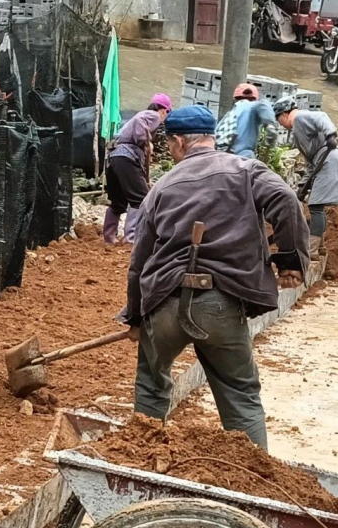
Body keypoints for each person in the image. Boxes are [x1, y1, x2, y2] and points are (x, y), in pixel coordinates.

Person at [120, 105, 309, 449]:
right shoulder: (245, 169)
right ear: (211, 137)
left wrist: (135, 316)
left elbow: (139, 260)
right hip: (221, 302)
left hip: (164, 302)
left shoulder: (161, 187)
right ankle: (254, 480)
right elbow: (284, 198)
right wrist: (290, 261)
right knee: (239, 392)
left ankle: (141, 460)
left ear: (178, 141)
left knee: (151, 382)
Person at [274, 96, 338, 260]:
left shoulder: (300, 117)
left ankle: (312, 250)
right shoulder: (298, 131)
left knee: (315, 206)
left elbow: (322, 117)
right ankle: (319, 248)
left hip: (330, 159)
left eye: (279, 119)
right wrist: (302, 187)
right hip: (323, 161)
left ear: (284, 114)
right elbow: (310, 164)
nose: (279, 123)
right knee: (317, 206)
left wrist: (330, 135)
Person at [103, 109, 164, 244]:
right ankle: (131, 237)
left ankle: (109, 237)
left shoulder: (133, 122)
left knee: (117, 201)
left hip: (114, 157)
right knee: (140, 198)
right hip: (126, 157)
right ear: (164, 111)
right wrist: (146, 142)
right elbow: (140, 123)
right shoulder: (154, 115)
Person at [214, 83, 278, 159]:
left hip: (220, 157)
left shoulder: (228, 116)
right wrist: (270, 125)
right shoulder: (253, 106)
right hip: (242, 157)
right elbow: (263, 104)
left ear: (235, 99)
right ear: (255, 99)